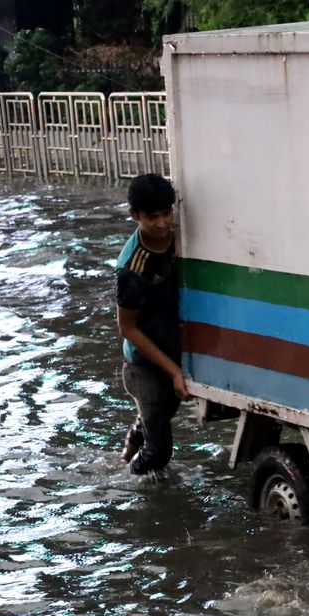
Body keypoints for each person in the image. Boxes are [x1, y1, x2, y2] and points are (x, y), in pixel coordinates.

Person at [115, 173, 190, 475]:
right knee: (159, 451)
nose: (163, 224)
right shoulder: (132, 268)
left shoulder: (183, 235)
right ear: (135, 215)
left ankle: (131, 443)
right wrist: (173, 371)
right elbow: (128, 328)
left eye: (167, 213)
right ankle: (128, 480)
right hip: (145, 364)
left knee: (163, 411)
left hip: (172, 344)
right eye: (152, 217)